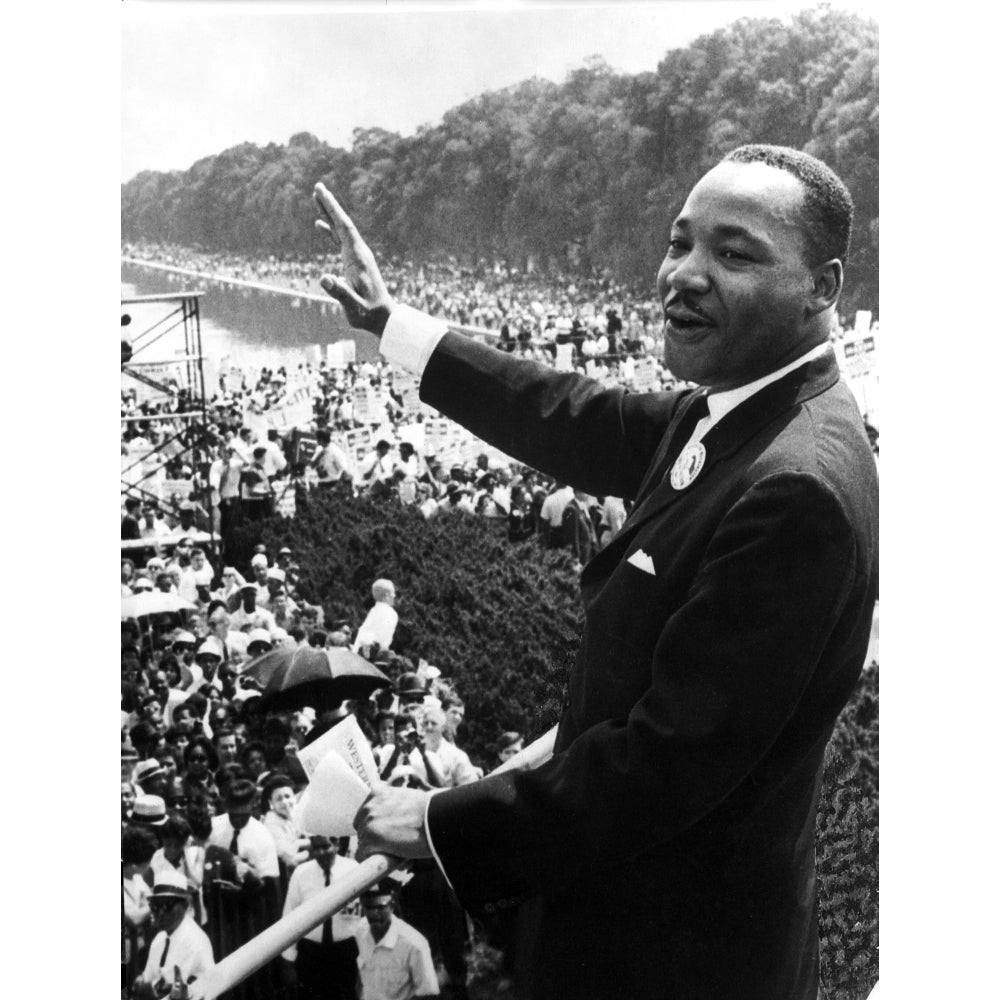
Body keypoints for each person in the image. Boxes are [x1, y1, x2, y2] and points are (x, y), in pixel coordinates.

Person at [314, 142, 878, 1000]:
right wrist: (392, 324)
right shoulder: (745, 407)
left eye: (734, 253)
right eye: (679, 242)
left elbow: (662, 767)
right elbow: (572, 416)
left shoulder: (794, 485)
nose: (685, 274)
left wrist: (435, 820)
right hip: (648, 924)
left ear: (823, 287)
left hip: (672, 956)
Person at [281, 836, 364, 1000]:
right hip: (311, 952)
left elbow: (363, 915)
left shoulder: (353, 869)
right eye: (316, 847)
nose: (320, 852)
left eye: (326, 846)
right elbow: (289, 917)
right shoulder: (301, 873)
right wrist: (289, 959)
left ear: (337, 845)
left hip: (345, 952)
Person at [135, 868, 214, 999]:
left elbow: (171, 991)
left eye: (167, 905)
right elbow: (148, 978)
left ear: (185, 905)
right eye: (156, 905)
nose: (160, 912)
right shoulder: (161, 938)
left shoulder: (194, 941)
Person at [354, 882, 439, 1000]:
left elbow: (428, 993)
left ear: (392, 905)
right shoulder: (360, 931)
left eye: (380, 907)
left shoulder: (414, 944)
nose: (374, 913)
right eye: (369, 907)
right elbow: (361, 978)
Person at [352, 578, 399, 655]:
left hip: (357, 653)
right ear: (387, 595)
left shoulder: (373, 611)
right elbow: (383, 642)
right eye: (393, 593)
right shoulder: (391, 614)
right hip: (371, 655)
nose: (394, 596)